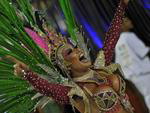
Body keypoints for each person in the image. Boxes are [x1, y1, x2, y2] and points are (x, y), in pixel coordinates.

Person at [0, 0, 134, 113]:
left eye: (75, 47)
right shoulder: (76, 93)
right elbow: (48, 88)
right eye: (70, 52)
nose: (78, 51)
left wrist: (121, 6)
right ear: (65, 65)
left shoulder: (101, 68)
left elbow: (111, 38)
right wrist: (26, 73)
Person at [115, 16, 150, 111]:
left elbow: (119, 64)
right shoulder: (129, 36)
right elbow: (143, 52)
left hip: (134, 75)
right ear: (121, 26)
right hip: (143, 72)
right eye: (126, 21)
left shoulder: (118, 43)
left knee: (147, 95)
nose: (130, 21)